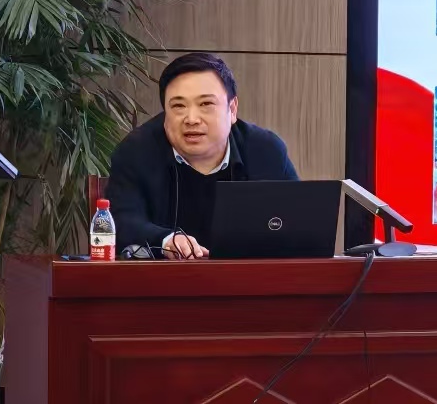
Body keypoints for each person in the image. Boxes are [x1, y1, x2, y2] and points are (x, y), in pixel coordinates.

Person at [105, 52, 299, 259]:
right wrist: (165, 240)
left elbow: (299, 221)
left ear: (232, 109)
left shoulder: (265, 150)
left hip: (249, 276)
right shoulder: (136, 151)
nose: (191, 119)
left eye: (206, 104)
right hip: (164, 277)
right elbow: (120, 222)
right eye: (178, 106)